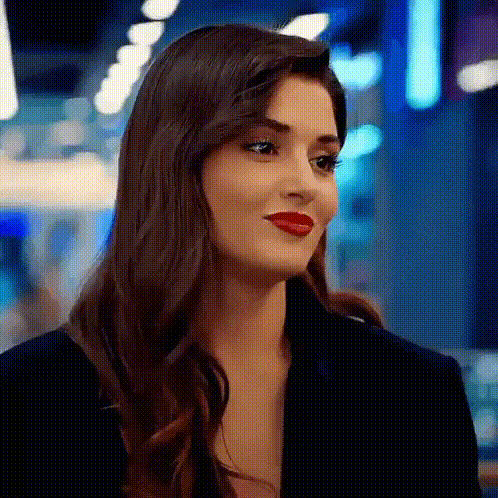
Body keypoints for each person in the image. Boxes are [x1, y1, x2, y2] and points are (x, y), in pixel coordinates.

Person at [2, 23, 481, 498]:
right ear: (176, 164)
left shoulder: (412, 393)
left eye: (323, 161)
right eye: (263, 147)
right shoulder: (32, 397)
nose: (306, 185)